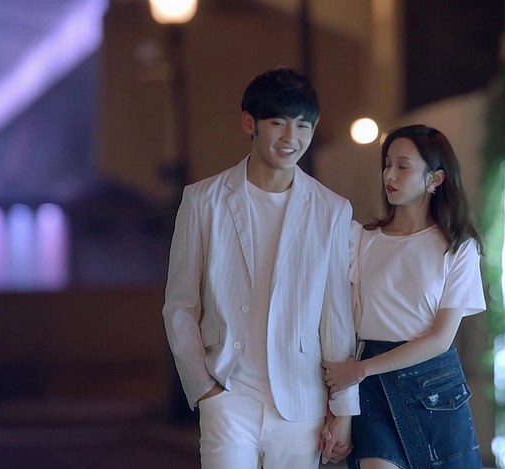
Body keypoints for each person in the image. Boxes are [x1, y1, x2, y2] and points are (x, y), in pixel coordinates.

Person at [162, 67, 358, 469]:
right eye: (278, 123)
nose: (291, 137)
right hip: (228, 392)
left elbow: (336, 316)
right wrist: (204, 389)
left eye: (303, 125)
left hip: (301, 400)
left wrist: (343, 410)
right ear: (249, 123)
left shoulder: (332, 209)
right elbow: (180, 305)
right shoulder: (202, 201)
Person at [323, 125, 487, 469]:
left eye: (403, 166)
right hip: (372, 386)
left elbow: (440, 339)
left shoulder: (457, 246)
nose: (390, 175)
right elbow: (342, 322)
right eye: (387, 164)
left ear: (435, 179)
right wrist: (343, 409)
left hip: (434, 387)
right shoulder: (361, 239)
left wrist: (360, 370)